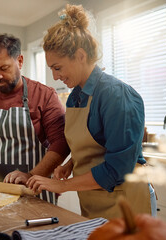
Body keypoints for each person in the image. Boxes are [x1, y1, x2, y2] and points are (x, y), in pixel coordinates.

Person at [26, 4, 157, 219]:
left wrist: (62, 186)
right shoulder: (76, 96)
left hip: (127, 204)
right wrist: (70, 164)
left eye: (57, 68)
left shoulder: (117, 95)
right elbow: (92, 147)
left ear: (80, 56)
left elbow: (117, 169)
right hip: (94, 201)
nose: (55, 77)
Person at [0, 33, 70, 204]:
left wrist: (31, 175)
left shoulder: (44, 95)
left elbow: (61, 144)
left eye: (4, 68)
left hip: (35, 192)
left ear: (20, 61)